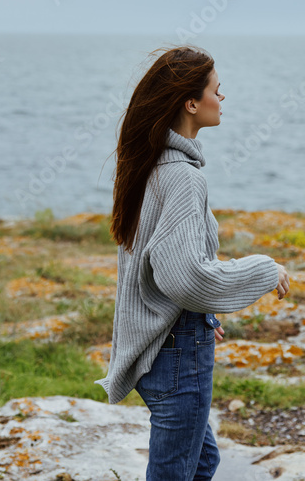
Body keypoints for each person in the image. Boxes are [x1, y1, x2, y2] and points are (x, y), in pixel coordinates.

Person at [94, 44, 291, 481]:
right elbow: (187, 277)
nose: (222, 99)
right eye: (217, 91)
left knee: (201, 463)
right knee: (176, 474)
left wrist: (201, 312)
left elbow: (157, 264)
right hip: (177, 352)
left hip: (165, 341)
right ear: (190, 102)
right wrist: (264, 269)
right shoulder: (181, 176)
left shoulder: (152, 165)